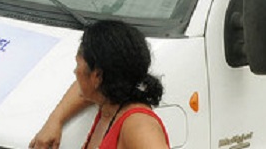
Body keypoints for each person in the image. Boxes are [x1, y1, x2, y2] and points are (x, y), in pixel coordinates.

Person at [29, 20, 169, 149]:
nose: (75, 72)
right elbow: (80, 89)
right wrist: (55, 120)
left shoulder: (138, 126)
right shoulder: (108, 107)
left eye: (78, 65)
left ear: (97, 76)